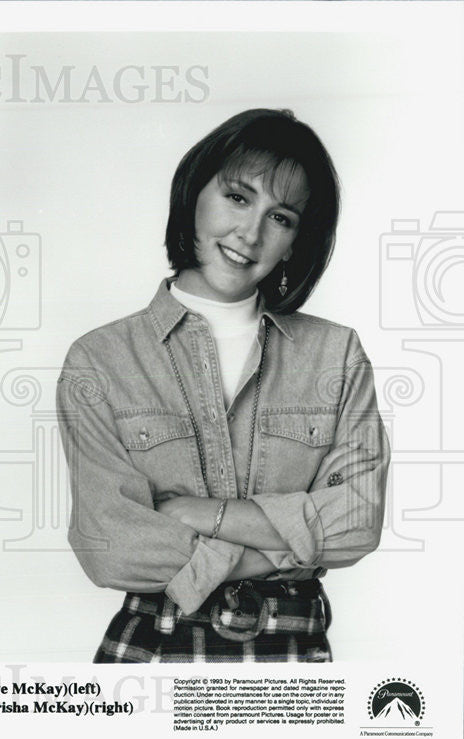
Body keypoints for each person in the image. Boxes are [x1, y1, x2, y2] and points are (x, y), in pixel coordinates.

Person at [57, 109, 389, 662]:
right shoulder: (100, 360)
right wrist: (287, 547)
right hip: (153, 652)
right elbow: (109, 547)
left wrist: (200, 515)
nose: (251, 233)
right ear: (194, 193)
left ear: (296, 241)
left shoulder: (337, 354)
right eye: (238, 197)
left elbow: (358, 520)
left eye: (280, 217)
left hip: (294, 658)